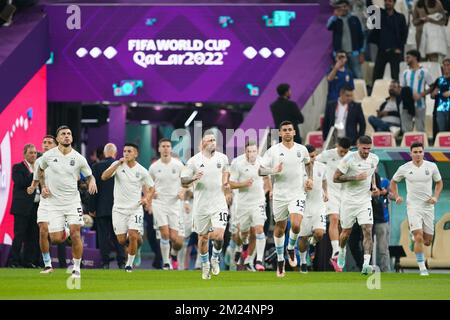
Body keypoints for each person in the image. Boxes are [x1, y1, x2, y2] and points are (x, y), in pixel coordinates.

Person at [38, 125, 97, 279]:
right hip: (54, 203)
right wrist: (43, 186)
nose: (66, 136)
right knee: (56, 239)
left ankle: (76, 268)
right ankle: (66, 229)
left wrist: (92, 181)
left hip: (72, 201)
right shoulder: (48, 156)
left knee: (76, 233)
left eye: (69, 133)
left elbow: (89, 175)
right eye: (63, 134)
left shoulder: (78, 158)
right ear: (57, 139)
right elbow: (40, 170)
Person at [259, 121, 313, 277]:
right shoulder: (273, 151)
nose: (288, 132)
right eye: (285, 130)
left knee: (296, 225)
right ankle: (281, 260)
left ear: (294, 132)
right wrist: (273, 170)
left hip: (297, 192)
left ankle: (290, 247)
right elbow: (260, 171)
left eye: (290, 129)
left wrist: (310, 179)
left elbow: (308, 164)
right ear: (280, 133)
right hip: (280, 194)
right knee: (280, 227)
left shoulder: (301, 150)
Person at [180, 131, 230, 280]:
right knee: (202, 238)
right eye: (210, 140)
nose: (213, 142)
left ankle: (215, 258)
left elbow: (226, 173)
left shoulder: (223, 158)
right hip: (201, 205)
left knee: (219, 236)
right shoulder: (193, 161)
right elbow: (183, 181)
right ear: (202, 144)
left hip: (218, 203)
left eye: (214, 140)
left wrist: (226, 185)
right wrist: (193, 178)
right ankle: (205, 265)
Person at [390, 142, 443, 276]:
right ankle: (422, 268)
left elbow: (439, 182)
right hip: (413, 206)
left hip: (428, 207)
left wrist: (435, 197)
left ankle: (414, 239)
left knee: (427, 241)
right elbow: (393, 181)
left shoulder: (431, 166)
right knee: (419, 236)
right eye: (415, 152)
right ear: (411, 153)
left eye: (420, 152)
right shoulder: (405, 168)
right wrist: (396, 196)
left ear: (423, 153)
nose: (418, 154)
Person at [101, 143, 154, 272]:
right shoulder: (117, 166)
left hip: (135, 208)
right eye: (124, 151)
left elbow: (151, 188)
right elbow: (104, 177)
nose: (126, 153)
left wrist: (146, 198)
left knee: (133, 235)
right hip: (118, 209)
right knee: (121, 240)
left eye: (129, 151)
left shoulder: (142, 170)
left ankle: (129, 265)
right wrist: (116, 164)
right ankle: (137, 246)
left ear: (135, 154)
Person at [333, 135, 380, 275]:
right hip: (348, 201)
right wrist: (355, 177)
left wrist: (374, 186)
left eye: (369, 149)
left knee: (367, 229)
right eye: (364, 148)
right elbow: (335, 178)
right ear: (358, 146)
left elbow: (371, 173)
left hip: (365, 201)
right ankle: (341, 251)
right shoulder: (348, 159)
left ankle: (366, 264)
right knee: (345, 233)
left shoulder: (374, 159)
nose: (366, 151)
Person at [229, 141, 271, 272]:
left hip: (258, 202)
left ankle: (256, 260)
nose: (251, 154)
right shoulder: (237, 163)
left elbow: (267, 181)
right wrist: (244, 184)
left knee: (258, 229)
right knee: (243, 233)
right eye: (249, 151)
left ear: (257, 151)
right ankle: (241, 248)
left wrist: (265, 193)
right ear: (245, 151)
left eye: (254, 151)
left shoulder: (262, 161)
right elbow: (231, 184)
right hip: (242, 203)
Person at [316, 136, 351, 271]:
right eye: (341, 151)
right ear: (337, 146)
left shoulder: (351, 157)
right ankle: (335, 252)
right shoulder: (327, 154)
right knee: (334, 219)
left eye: (345, 151)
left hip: (345, 194)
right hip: (331, 193)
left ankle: (339, 253)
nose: (343, 154)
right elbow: (314, 163)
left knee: (344, 226)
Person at [88, 143, 126, 269]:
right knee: (118, 235)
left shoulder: (96, 166)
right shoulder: (121, 166)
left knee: (103, 237)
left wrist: (91, 208)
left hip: (102, 208)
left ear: (104, 153)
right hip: (119, 208)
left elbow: (93, 189)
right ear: (115, 153)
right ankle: (121, 262)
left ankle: (105, 263)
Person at [148, 138, 184, 270]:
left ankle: (173, 255)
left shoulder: (178, 165)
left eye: (168, 146)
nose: (165, 149)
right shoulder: (154, 167)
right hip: (159, 204)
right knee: (165, 234)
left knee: (175, 239)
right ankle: (166, 262)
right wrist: (150, 198)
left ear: (170, 149)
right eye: (163, 146)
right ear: (159, 149)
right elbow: (147, 184)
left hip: (174, 204)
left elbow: (186, 181)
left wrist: (183, 191)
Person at [27, 135, 58, 273]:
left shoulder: (64, 159)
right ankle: (47, 264)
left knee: (56, 238)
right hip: (45, 202)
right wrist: (33, 187)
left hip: (61, 202)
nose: (46, 144)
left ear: (56, 145)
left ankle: (66, 230)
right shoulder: (39, 161)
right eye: (44, 142)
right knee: (43, 230)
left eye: (49, 142)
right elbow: (37, 179)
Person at [298, 144, 328, 273]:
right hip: (304, 207)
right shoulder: (298, 169)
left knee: (320, 233)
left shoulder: (322, 167)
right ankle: (304, 261)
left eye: (313, 156)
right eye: (309, 157)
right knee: (303, 238)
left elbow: (324, 180)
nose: (312, 159)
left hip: (318, 205)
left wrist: (326, 192)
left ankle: (313, 242)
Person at [9, 144, 39, 268]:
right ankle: (14, 262)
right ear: (25, 154)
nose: (33, 155)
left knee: (32, 236)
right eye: (31, 153)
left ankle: (28, 261)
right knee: (19, 235)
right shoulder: (17, 167)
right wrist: (35, 174)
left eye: (35, 153)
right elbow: (21, 182)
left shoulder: (39, 167)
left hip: (36, 206)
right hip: (22, 207)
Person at [370, 0, 408, 82]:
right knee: (377, 75)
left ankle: (397, 93)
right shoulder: (379, 15)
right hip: (382, 50)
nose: (387, 3)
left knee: (395, 76)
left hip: (395, 51)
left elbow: (404, 35)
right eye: (386, 1)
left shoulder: (400, 17)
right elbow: (375, 32)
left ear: (394, 3)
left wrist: (400, 49)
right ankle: (374, 92)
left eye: (390, 1)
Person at [327, 0, 365, 79]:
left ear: (348, 7)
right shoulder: (336, 20)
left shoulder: (354, 19)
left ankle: (360, 90)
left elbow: (361, 36)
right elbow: (328, 27)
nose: (343, 9)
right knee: (344, 77)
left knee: (358, 75)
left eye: (345, 6)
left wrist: (361, 52)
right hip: (340, 55)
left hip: (354, 53)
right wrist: (335, 16)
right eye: (341, 7)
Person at [400, 50, 434, 132]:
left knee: (420, 129)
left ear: (415, 57)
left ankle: (422, 144)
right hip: (406, 104)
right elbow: (402, 88)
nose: (406, 59)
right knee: (406, 129)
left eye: (408, 57)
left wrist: (421, 94)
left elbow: (433, 86)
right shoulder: (405, 73)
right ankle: (406, 144)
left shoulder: (424, 72)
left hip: (420, 104)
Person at [371, 172, 391, 272]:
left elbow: (392, 195)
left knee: (383, 248)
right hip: (367, 218)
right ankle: (366, 269)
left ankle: (385, 270)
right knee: (366, 246)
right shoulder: (363, 179)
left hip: (382, 218)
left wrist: (385, 192)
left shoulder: (385, 181)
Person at [431, 58, 450, 133]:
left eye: (448, 65)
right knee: (441, 132)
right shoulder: (439, 80)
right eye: (444, 65)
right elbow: (432, 96)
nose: (446, 67)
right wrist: (434, 93)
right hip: (439, 109)